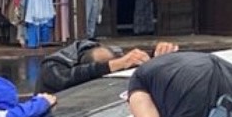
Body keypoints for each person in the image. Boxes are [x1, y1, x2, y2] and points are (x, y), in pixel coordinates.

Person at [39, 38, 179, 95]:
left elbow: (132, 63)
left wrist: (158, 53)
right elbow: (66, 78)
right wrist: (115, 64)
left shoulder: (110, 52)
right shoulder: (53, 67)